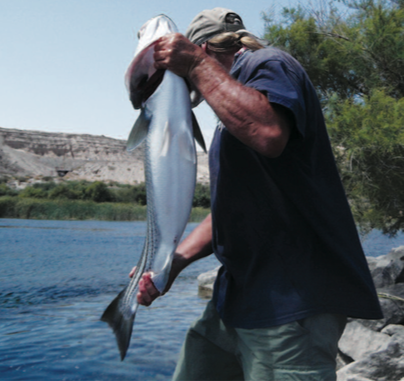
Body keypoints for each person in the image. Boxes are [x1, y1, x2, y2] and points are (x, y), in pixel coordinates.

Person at [131, 8, 383, 381]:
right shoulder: (230, 108)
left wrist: (196, 65)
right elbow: (232, 209)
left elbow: (269, 133)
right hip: (235, 301)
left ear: (201, 47)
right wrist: (172, 263)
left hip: (293, 302)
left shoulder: (270, 63)